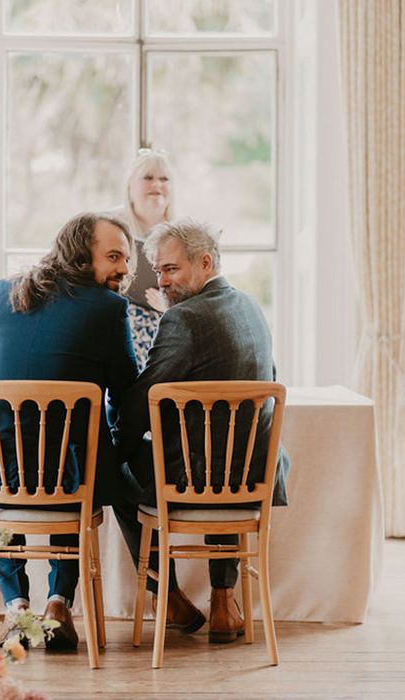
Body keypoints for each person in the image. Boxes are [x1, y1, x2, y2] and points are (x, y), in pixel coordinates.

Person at [0, 212, 138, 650]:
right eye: (114, 256)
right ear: (79, 253)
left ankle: (15, 605)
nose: (125, 270)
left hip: (0, 474)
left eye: (126, 259)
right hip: (70, 476)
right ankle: (58, 602)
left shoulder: (2, 294)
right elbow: (127, 394)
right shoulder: (109, 310)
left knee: (15, 449)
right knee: (75, 455)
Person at [113, 217, 291, 644]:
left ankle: (168, 595)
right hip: (253, 475)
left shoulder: (184, 320)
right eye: (157, 271)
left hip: (200, 478)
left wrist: (116, 435)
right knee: (216, 452)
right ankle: (224, 600)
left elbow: (142, 401)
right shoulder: (251, 308)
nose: (162, 281)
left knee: (112, 470)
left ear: (205, 262)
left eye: (170, 269)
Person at [114, 149, 175, 370]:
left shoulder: (183, 234)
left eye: (164, 179)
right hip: (120, 317)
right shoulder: (108, 226)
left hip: (167, 321)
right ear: (130, 187)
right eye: (148, 177)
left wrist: (171, 306)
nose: (157, 185)